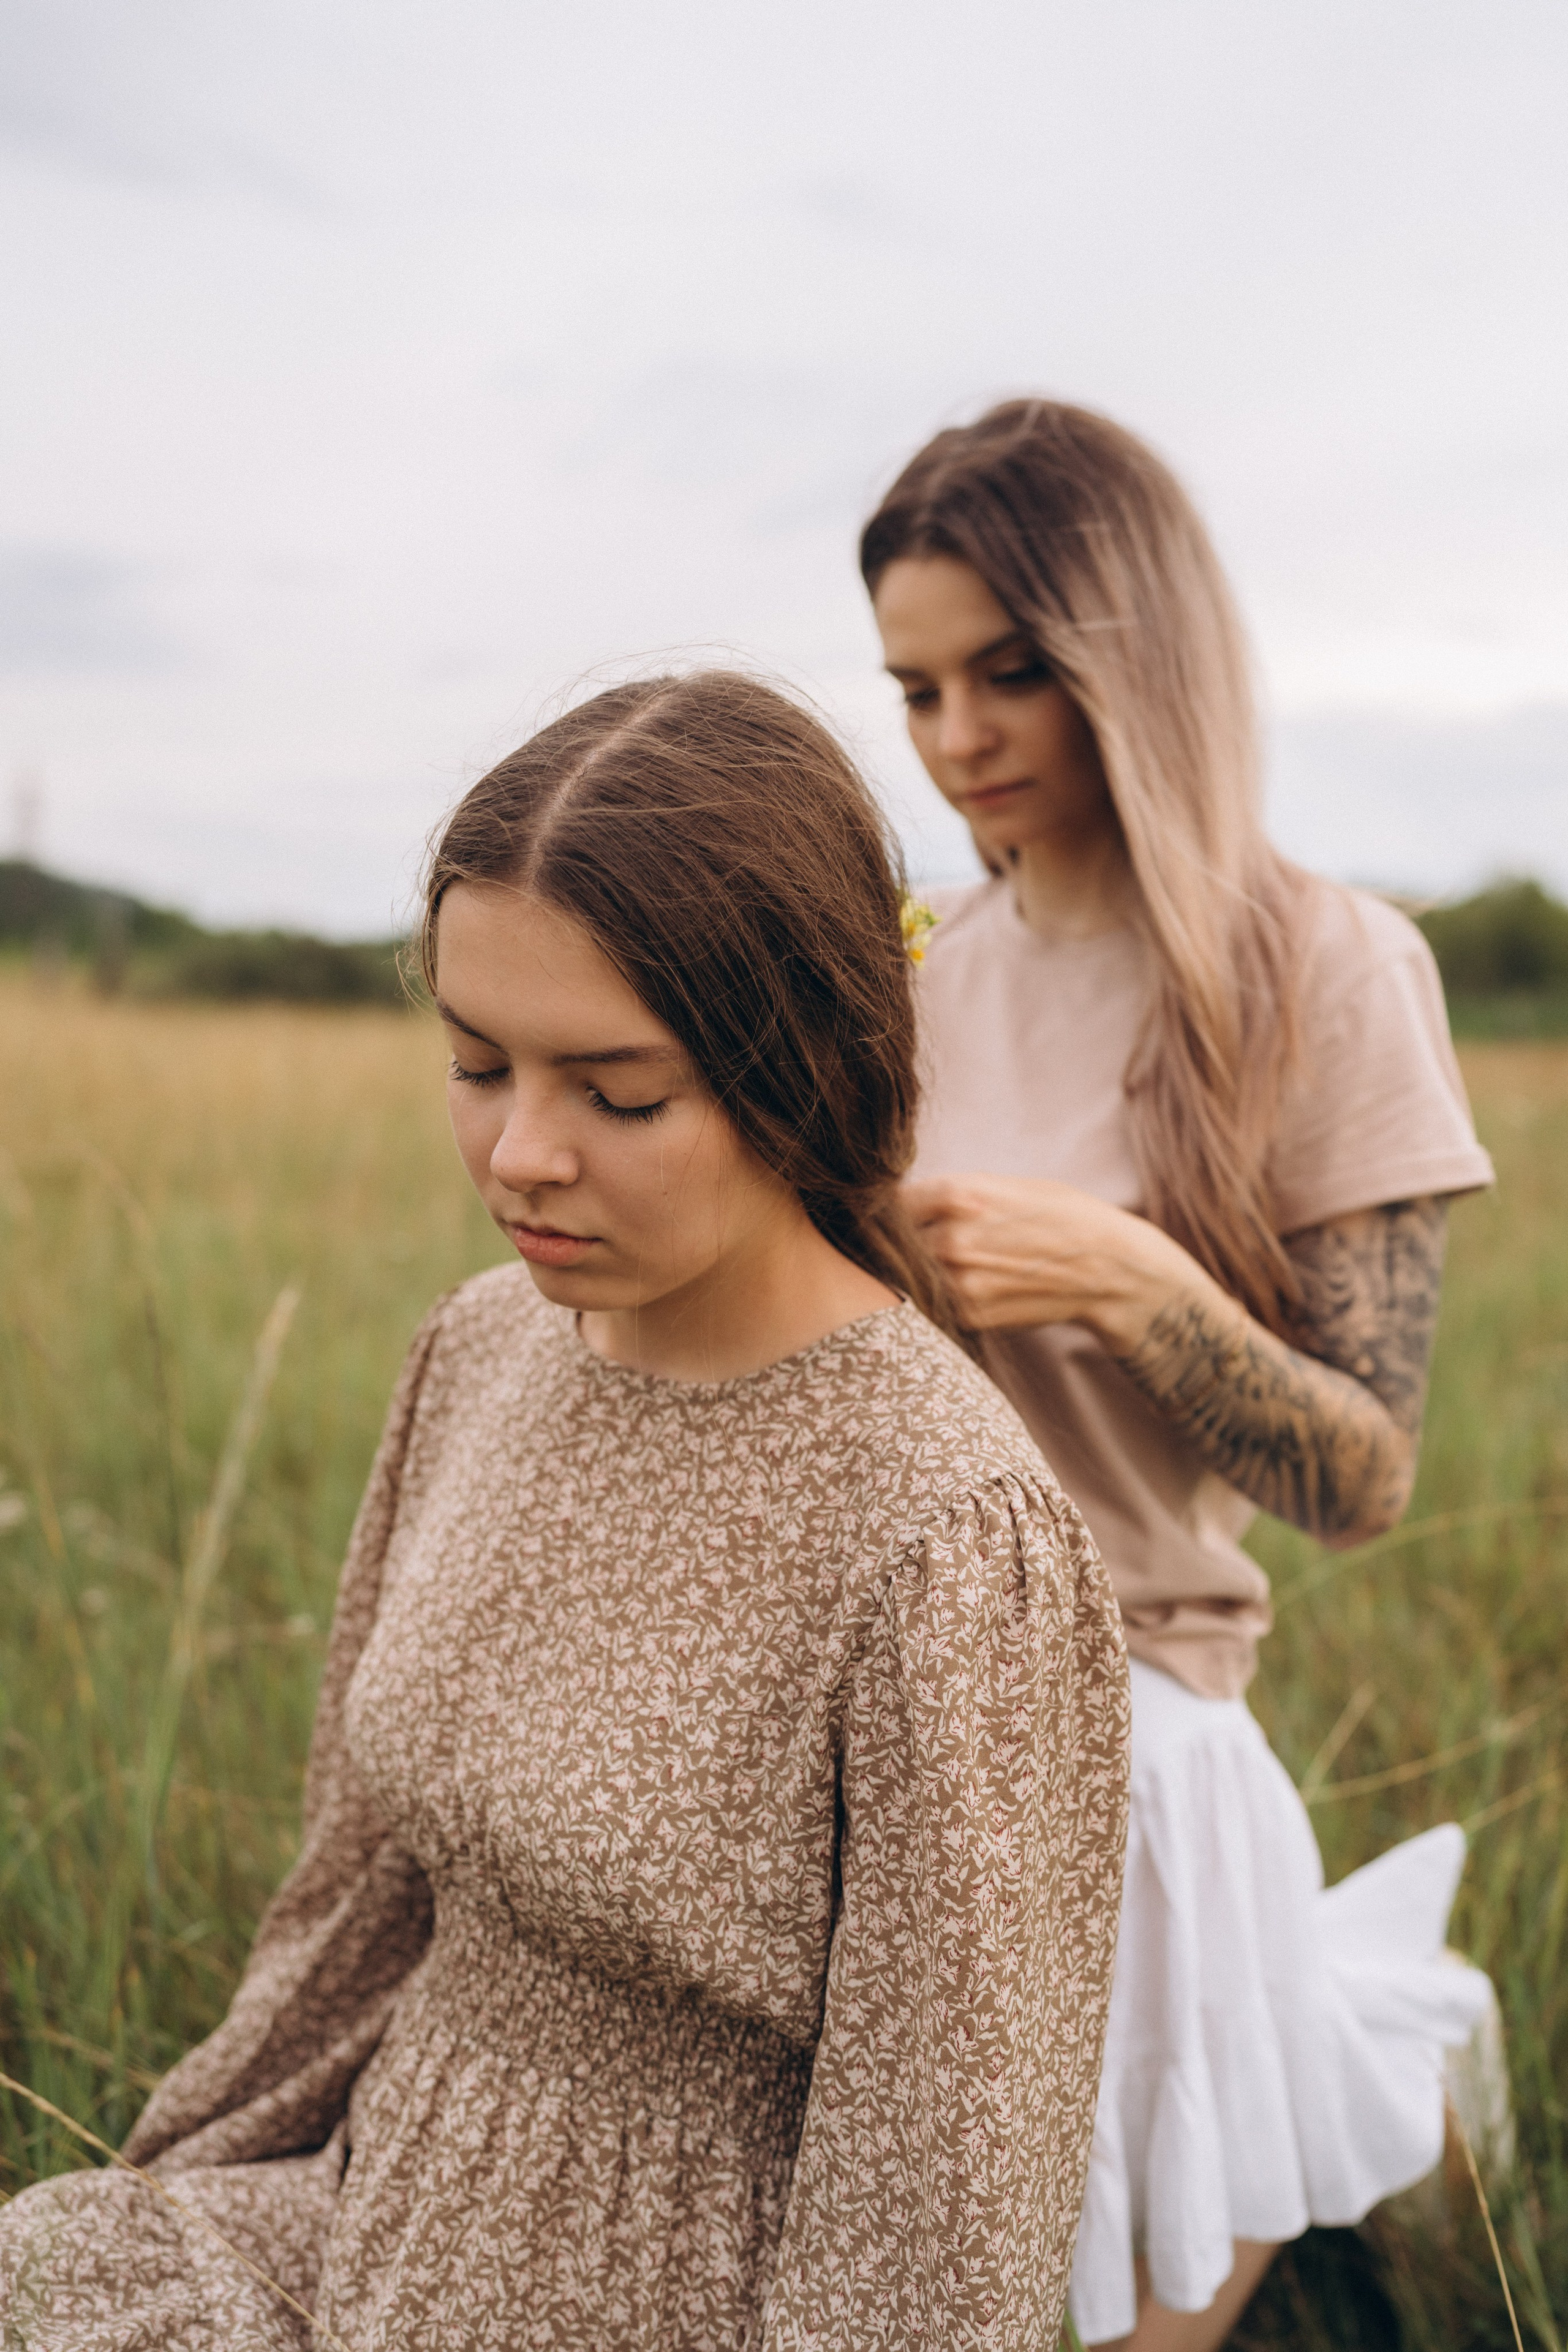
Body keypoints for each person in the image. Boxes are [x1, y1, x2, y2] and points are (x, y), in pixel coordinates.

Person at [0, 671, 1129, 2351]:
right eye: (475, 1065)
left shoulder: (948, 1533)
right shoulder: (479, 1348)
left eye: (617, 1094)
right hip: (378, 2194)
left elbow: (941, 2226)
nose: (521, 1153)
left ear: (803, 1065)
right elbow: (351, 1902)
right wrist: (172, 2181)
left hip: (659, 2293)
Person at [859, 402, 1499, 2352]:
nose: (960, 734)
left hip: (1134, 1720)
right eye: (915, 688)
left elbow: (1362, 1478)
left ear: (1136, 655)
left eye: (1013, 670)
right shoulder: (903, 984)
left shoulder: (1325, 969)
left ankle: (1375, 2169)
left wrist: (1131, 1281)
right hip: (887, 1717)